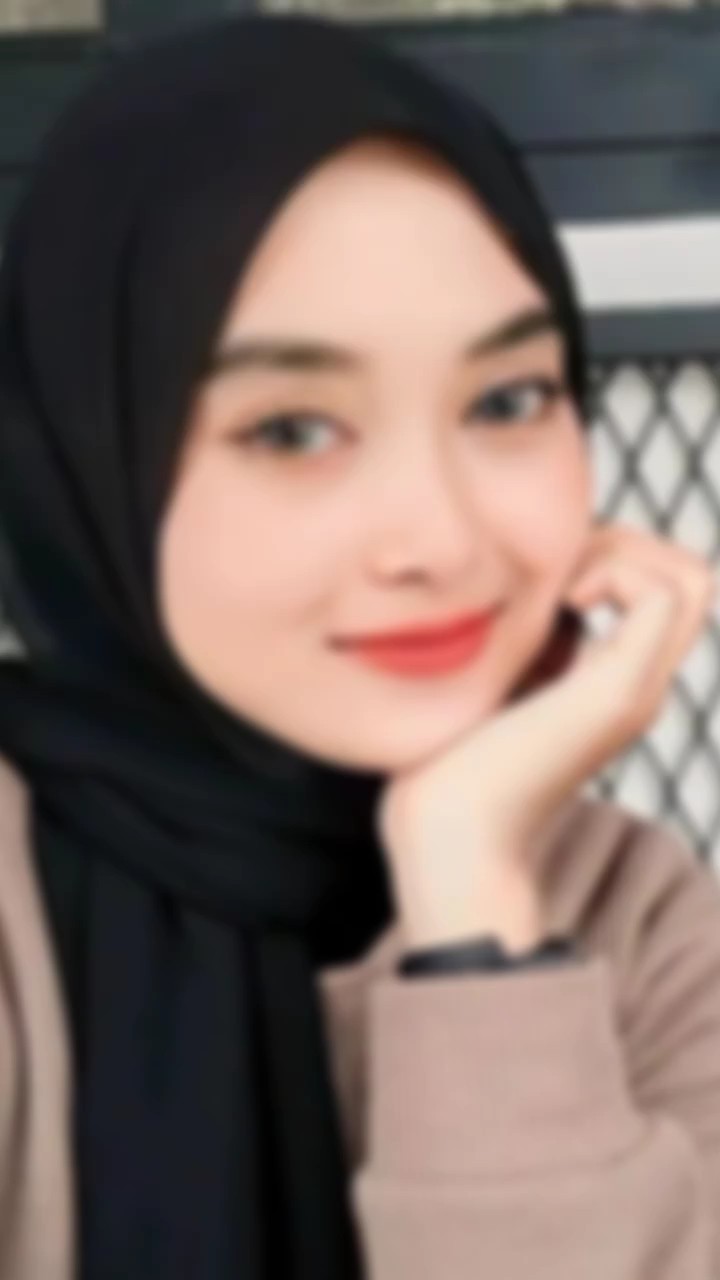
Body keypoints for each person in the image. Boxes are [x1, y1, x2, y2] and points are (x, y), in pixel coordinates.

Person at [0, 10, 716, 1280]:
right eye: (291, 429)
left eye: (508, 400)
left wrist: (474, 917)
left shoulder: (643, 924)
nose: (438, 538)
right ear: (91, 459)